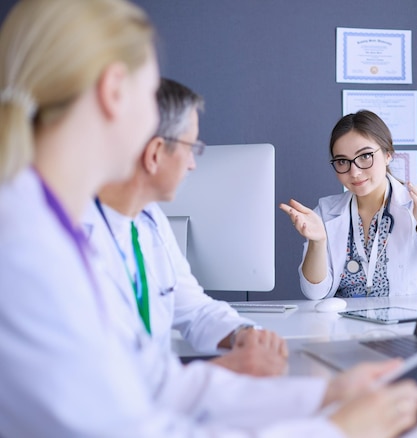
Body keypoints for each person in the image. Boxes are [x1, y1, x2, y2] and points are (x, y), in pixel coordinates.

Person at [0, 1, 417, 436]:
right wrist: (339, 430)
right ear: (114, 93)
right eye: (150, 96)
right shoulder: (27, 249)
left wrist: (326, 395)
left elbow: (157, 384)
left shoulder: (49, 223)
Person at [83, 77, 288, 377]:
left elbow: (195, 309)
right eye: (191, 147)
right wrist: (221, 369)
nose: (193, 164)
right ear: (155, 153)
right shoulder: (74, 237)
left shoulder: (149, 220)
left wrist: (243, 334)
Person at [280, 110, 417, 300]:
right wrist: (318, 242)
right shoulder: (325, 211)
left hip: (400, 323)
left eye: (364, 156)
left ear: (388, 154)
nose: (354, 172)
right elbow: (315, 293)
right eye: (342, 161)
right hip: (343, 325)